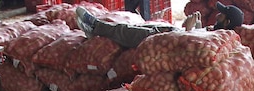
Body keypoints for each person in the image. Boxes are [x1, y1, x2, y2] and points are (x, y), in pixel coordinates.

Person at [74, 2, 244, 50]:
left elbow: (190, 50)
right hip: (170, 34)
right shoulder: (216, 31)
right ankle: (96, 28)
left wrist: (190, 30)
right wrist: (197, 25)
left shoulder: (222, 41)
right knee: (137, 27)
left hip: (170, 43)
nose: (217, 15)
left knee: (129, 32)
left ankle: (95, 26)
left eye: (221, 14)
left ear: (227, 22)